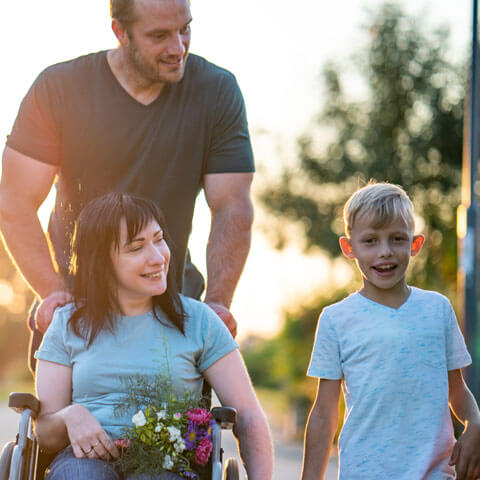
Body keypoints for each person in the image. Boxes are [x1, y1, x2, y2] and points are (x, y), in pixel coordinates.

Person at [0, 0, 254, 373]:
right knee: (65, 430)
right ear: (120, 31)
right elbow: (15, 202)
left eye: (185, 29)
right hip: (77, 310)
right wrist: (53, 291)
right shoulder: (59, 89)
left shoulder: (216, 91)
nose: (178, 48)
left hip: (173, 309)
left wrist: (218, 303)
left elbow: (232, 206)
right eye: (159, 36)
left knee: (179, 432)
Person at [34, 192, 273, 480]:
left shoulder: (199, 321)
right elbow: (44, 433)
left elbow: (248, 415)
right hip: (84, 459)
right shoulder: (67, 324)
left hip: (169, 462)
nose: (158, 257)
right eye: (137, 248)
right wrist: (69, 416)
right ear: (101, 262)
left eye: (159, 239)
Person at [301, 182, 480, 480]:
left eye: (397, 239)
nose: (385, 252)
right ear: (349, 247)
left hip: (435, 474)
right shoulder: (335, 319)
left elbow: (456, 389)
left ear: (415, 243)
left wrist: (475, 425)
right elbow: (323, 413)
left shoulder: (438, 310)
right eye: (370, 241)